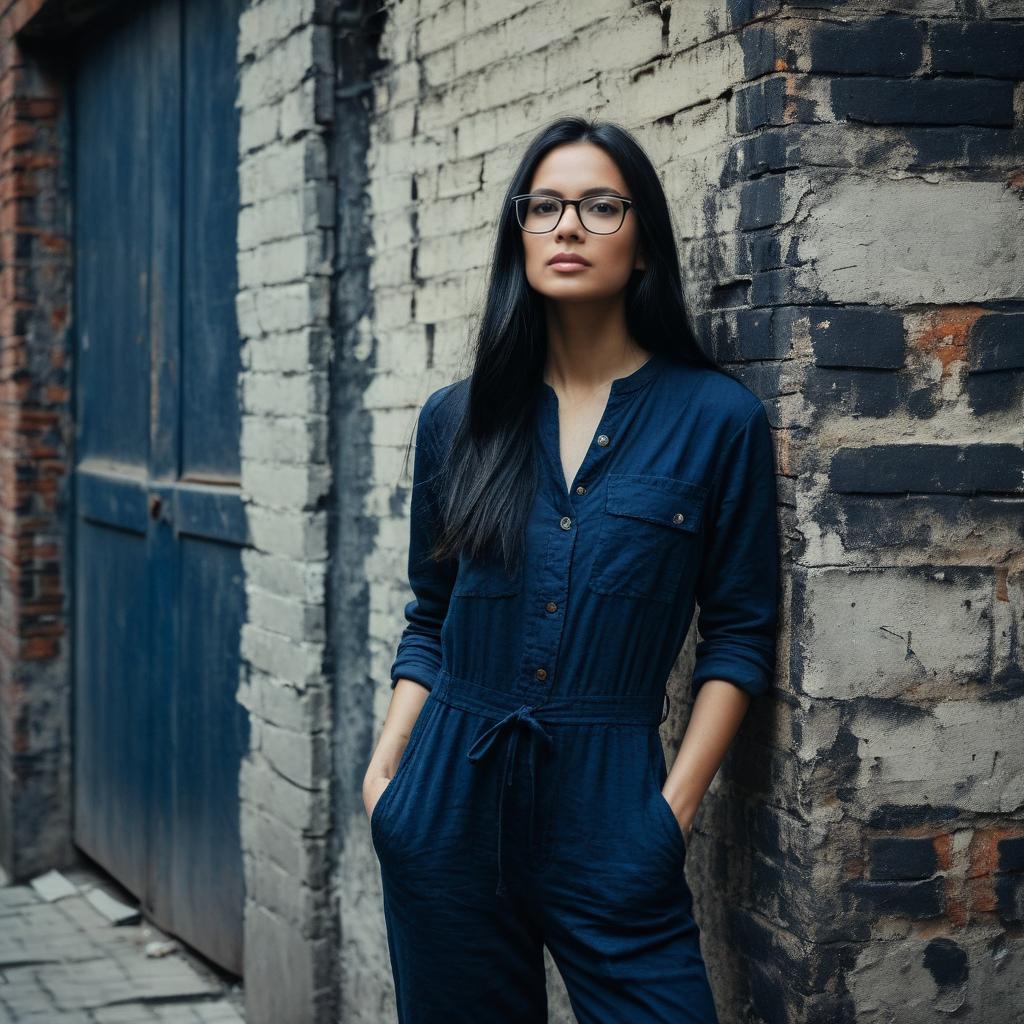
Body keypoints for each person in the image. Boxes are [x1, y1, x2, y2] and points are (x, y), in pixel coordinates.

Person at [363, 115, 780, 1023]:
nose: (568, 227)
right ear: (519, 235)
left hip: (612, 813)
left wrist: (668, 817)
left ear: (643, 243)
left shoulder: (717, 421)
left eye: (600, 206)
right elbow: (430, 615)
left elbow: (740, 635)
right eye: (545, 206)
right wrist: (387, 776)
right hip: (444, 806)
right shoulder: (457, 420)